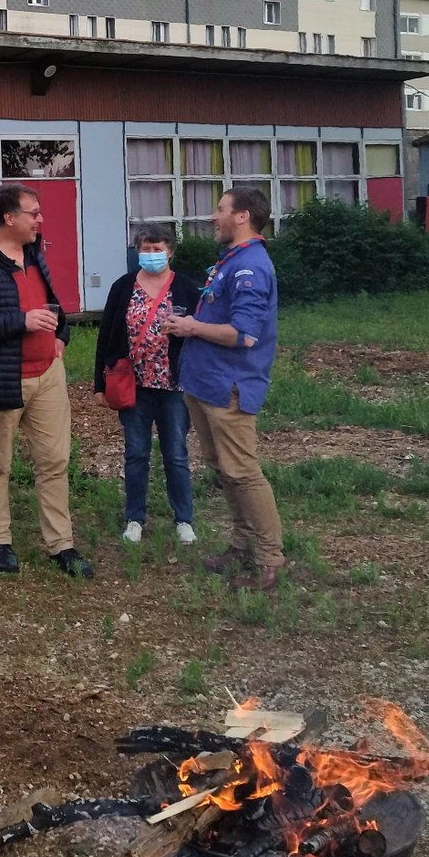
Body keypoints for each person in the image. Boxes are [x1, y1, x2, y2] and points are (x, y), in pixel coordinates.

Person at [0, 183, 92, 578]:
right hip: (2, 379)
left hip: (48, 376)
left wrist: (61, 335)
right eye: (33, 213)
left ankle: (61, 545)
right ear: (9, 218)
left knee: (55, 462)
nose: (40, 219)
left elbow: (52, 304)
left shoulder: (33, 255)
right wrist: (20, 322)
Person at [161, 187, 284, 591]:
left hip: (229, 386)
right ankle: (242, 544)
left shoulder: (251, 267)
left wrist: (192, 327)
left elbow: (244, 334)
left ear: (243, 216)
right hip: (206, 384)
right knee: (224, 469)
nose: (214, 217)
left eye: (220, 210)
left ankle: (269, 559)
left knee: (243, 472)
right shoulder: (231, 260)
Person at [94, 225, 201, 546]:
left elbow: (201, 331)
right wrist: (99, 383)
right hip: (134, 385)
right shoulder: (123, 287)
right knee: (136, 453)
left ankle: (183, 519)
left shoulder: (186, 288)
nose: (151, 254)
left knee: (176, 454)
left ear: (170, 252)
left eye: (158, 249)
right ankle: (135, 518)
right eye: (146, 248)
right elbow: (106, 334)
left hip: (175, 386)